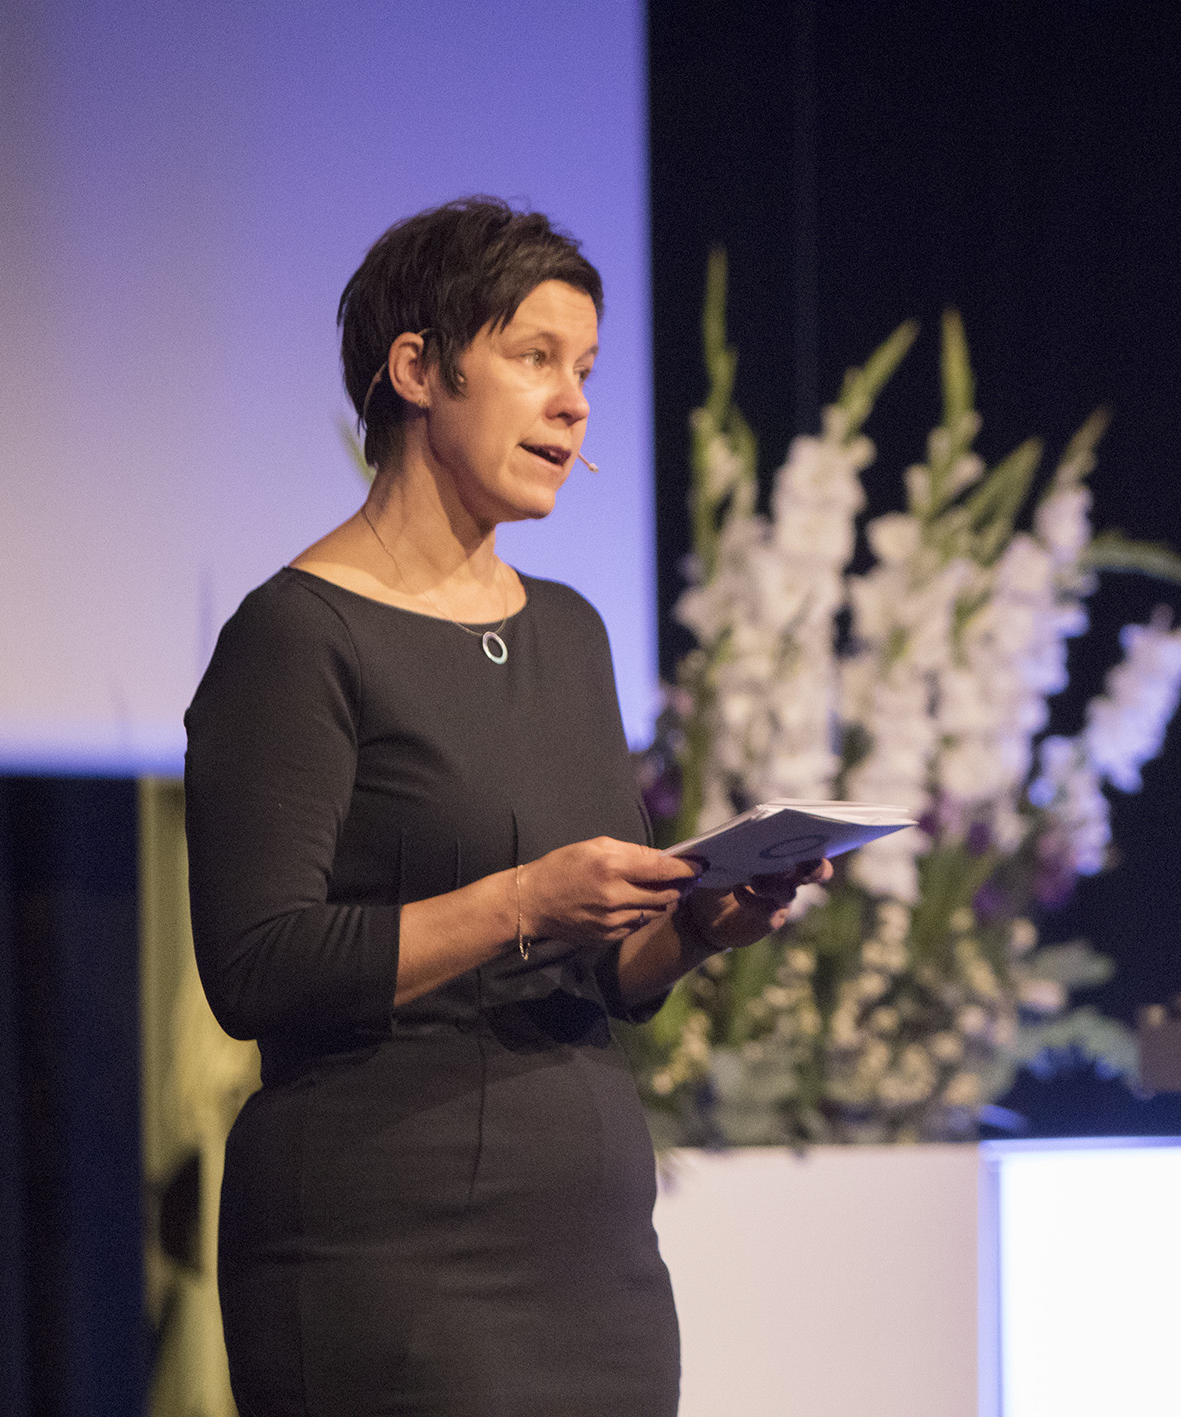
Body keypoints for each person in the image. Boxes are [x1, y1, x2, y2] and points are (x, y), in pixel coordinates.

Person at [185, 196, 827, 1417]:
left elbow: (602, 973)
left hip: (590, 1265)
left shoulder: (570, 632)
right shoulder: (297, 636)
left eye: (584, 369)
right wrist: (521, 901)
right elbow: (256, 966)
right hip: (387, 1252)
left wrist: (699, 921)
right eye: (536, 358)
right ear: (417, 370)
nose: (573, 403)